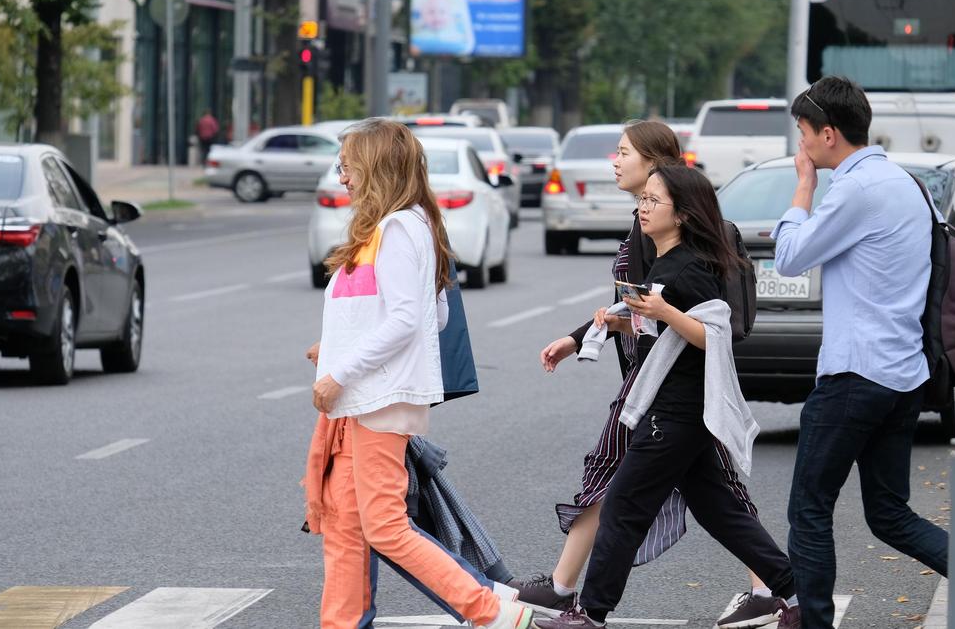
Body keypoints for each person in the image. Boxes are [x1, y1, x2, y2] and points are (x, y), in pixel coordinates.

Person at [516, 120, 779, 629]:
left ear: (659, 170)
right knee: (711, 503)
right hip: (656, 384)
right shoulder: (654, 231)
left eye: (622, 153)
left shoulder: (687, 247)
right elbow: (640, 300)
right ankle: (786, 587)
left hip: (672, 392)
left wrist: (654, 313)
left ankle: (580, 604)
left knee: (626, 499)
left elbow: (707, 320)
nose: (614, 162)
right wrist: (595, 329)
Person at [301, 118, 532, 629]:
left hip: (379, 396)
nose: (341, 177)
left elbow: (407, 319)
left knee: (384, 527)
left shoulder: (399, 227)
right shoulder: (390, 227)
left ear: (376, 166)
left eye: (347, 165)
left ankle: (491, 611)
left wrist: (342, 368)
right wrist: (337, 345)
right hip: (366, 395)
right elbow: (433, 315)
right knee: (344, 520)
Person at [773, 76, 950, 629]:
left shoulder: (855, 189)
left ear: (828, 133)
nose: (800, 146)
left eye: (803, 133)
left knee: (808, 508)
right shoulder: (903, 182)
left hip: (855, 374)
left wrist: (802, 190)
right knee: (889, 515)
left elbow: (789, 258)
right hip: (901, 375)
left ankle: (815, 623)